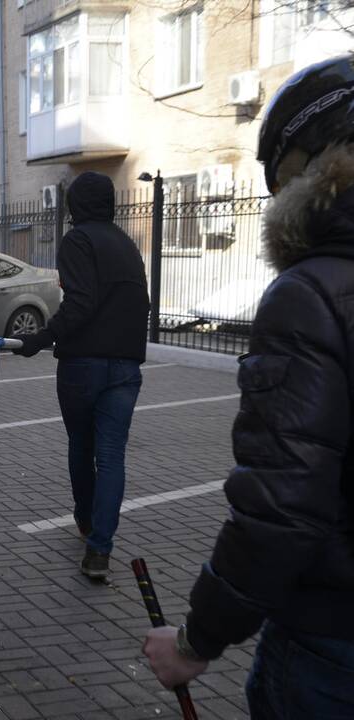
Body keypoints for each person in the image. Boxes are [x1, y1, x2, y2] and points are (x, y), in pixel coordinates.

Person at [142, 55, 354, 717]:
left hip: (332, 644)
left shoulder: (312, 295)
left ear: (303, 172)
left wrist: (195, 640)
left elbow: (281, 506)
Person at [10, 171, 150, 579]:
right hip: (125, 367)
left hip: (84, 366)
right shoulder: (127, 245)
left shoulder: (78, 240)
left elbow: (81, 302)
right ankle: (99, 550)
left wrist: (43, 336)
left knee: (80, 445)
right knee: (111, 458)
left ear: (75, 205)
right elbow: (138, 302)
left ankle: (85, 519)